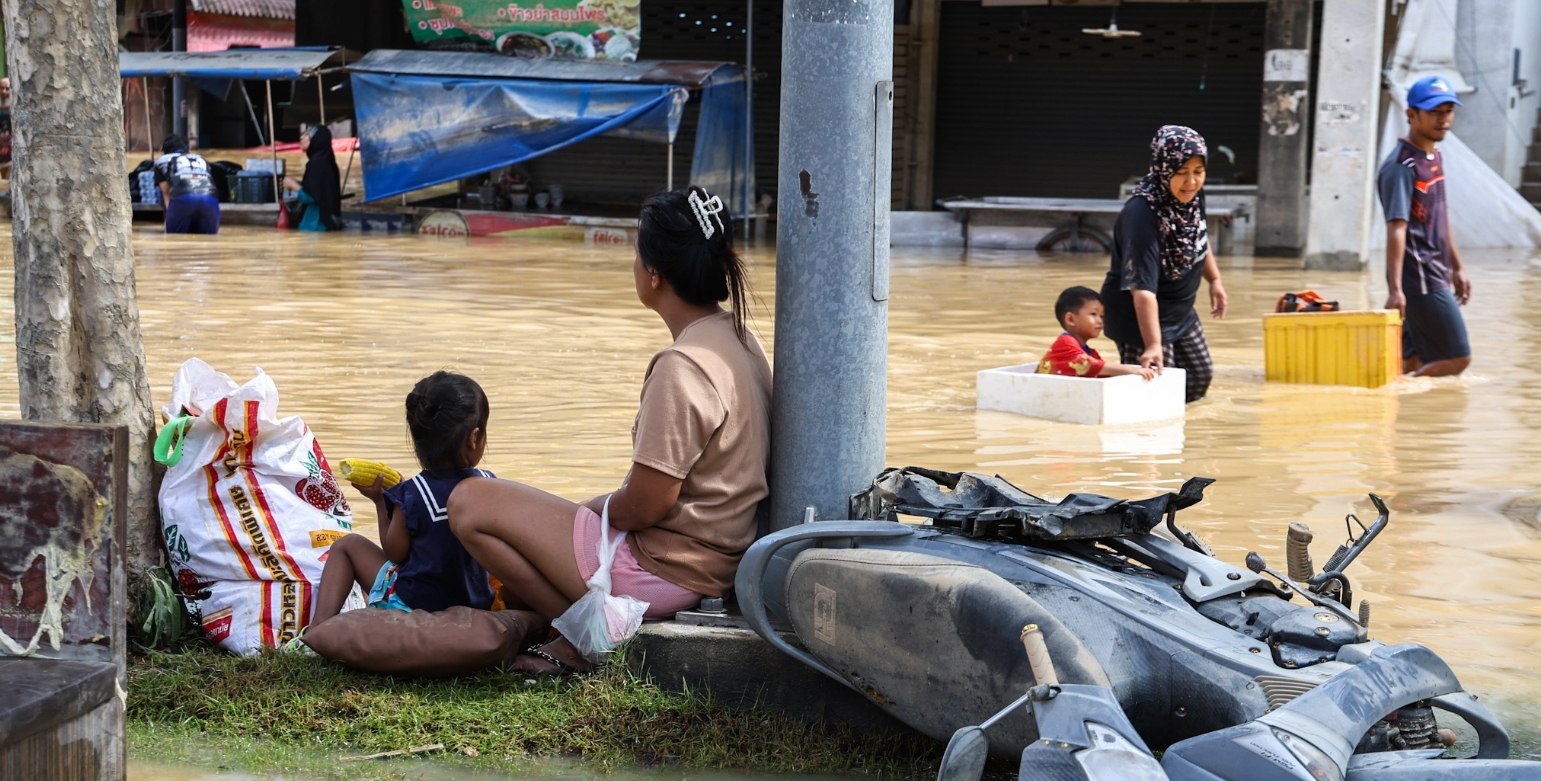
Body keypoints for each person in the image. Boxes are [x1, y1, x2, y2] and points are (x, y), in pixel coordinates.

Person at [447, 186, 772, 676]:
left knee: (469, 504)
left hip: (664, 568)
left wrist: (599, 508)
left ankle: (585, 638)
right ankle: (568, 629)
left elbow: (647, 505)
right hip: (712, 564)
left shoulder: (682, 366)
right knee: (533, 547)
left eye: (638, 256)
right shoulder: (740, 338)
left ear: (655, 274)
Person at [311, 371, 496, 624]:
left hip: (416, 609)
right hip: (476, 606)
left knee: (347, 546)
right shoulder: (490, 485)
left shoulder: (413, 493)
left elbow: (395, 553)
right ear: (474, 438)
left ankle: (319, 630)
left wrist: (380, 502)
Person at [1100, 124, 1228, 403]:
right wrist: (1153, 344)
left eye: (1198, 171)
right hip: (1139, 317)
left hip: (1180, 310)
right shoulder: (1142, 216)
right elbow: (1142, 290)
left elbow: (1198, 237)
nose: (1191, 182)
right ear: (1162, 169)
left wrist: (1215, 280)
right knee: (1155, 394)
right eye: (1181, 173)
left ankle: (1184, 442)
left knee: (1198, 377)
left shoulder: (1191, 196)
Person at [1377, 75, 1471, 377]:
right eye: (1434, 112)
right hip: (1419, 278)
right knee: (1457, 358)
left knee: (1411, 362)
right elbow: (1397, 228)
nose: (1443, 119)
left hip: (1436, 271)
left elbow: (1440, 217)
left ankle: (1396, 410)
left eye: (1448, 111)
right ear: (1411, 115)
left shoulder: (1433, 156)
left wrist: (1457, 267)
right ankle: (1405, 393)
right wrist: (1395, 289)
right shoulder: (1401, 166)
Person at [1037, 286, 1155, 380]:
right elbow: (1091, 365)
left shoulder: (1089, 352)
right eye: (1093, 314)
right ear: (1070, 319)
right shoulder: (1066, 343)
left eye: (1102, 316)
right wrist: (1132, 370)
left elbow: (1101, 372)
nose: (1100, 321)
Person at [153, 134, 221, 235]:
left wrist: (168, 221)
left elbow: (166, 192)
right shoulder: (201, 159)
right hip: (210, 200)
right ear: (187, 148)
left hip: (183, 198)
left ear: (165, 150)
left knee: (174, 241)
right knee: (208, 243)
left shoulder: (161, 161)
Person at [281, 124, 343, 231]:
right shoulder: (328, 161)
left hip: (316, 224)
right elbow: (319, 190)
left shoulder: (317, 163)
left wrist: (293, 185)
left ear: (316, 140)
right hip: (329, 222)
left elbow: (311, 197)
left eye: (306, 135)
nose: (301, 137)